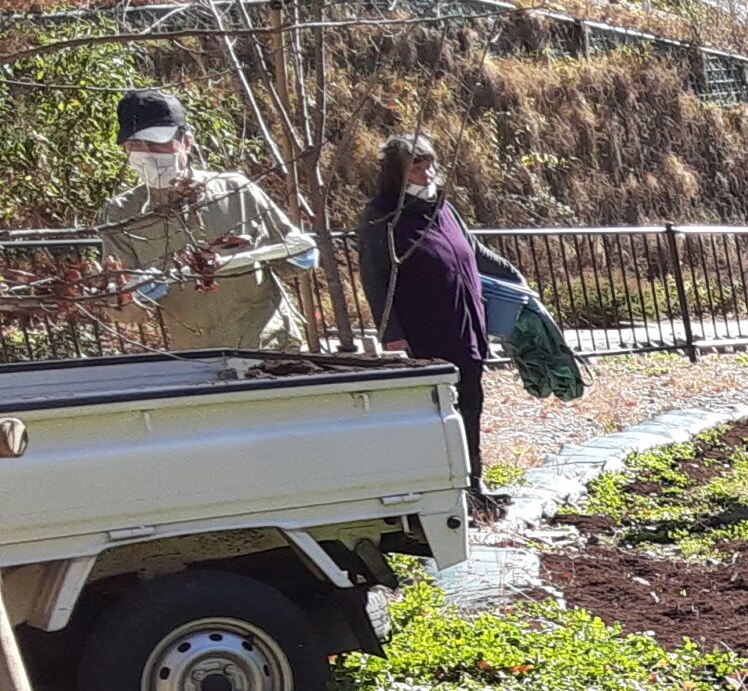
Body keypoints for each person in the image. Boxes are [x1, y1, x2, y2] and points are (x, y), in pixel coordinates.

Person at [356, 132, 525, 521]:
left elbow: (475, 253)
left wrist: (517, 280)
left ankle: (474, 487)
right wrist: (391, 334)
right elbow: (375, 278)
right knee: (439, 418)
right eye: (416, 165)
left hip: (465, 327)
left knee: (471, 406)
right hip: (424, 334)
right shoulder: (381, 217)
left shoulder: (443, 207)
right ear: (396, 173)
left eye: (430, 162)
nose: (427, 171)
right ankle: (445, 496)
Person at [96, 88, 316, 352]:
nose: (147, 154)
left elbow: (291, 260)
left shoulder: (236, 192)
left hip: (271, 348)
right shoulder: (121, 215)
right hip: (200, 357)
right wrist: (133, 297)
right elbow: (125, 311)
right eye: (135, 145)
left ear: (187, 141)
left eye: (157, 143)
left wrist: (300, 254)